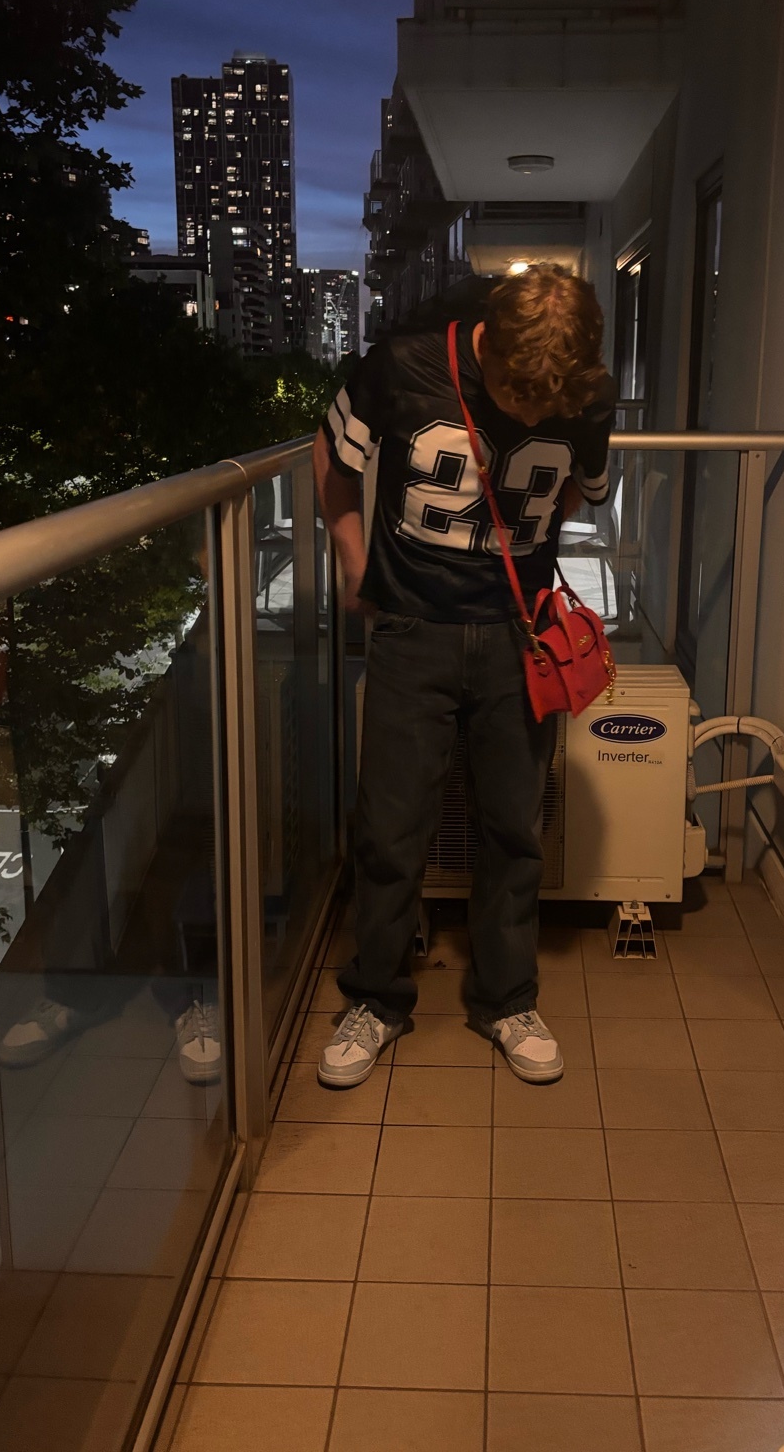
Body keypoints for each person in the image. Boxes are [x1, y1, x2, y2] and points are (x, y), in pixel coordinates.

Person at [313, 264, 615, 1088]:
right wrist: (352, 560)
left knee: (515, 829)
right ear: (488, 345)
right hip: (412, 629)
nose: (527, 413)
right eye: (517, 395)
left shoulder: (586, 394)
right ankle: (374, 999)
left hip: (520, 636)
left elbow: (582, 496)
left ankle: (506, 997)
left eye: (543, 404)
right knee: (389, 828)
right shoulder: (403, 364)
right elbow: (334, 461)